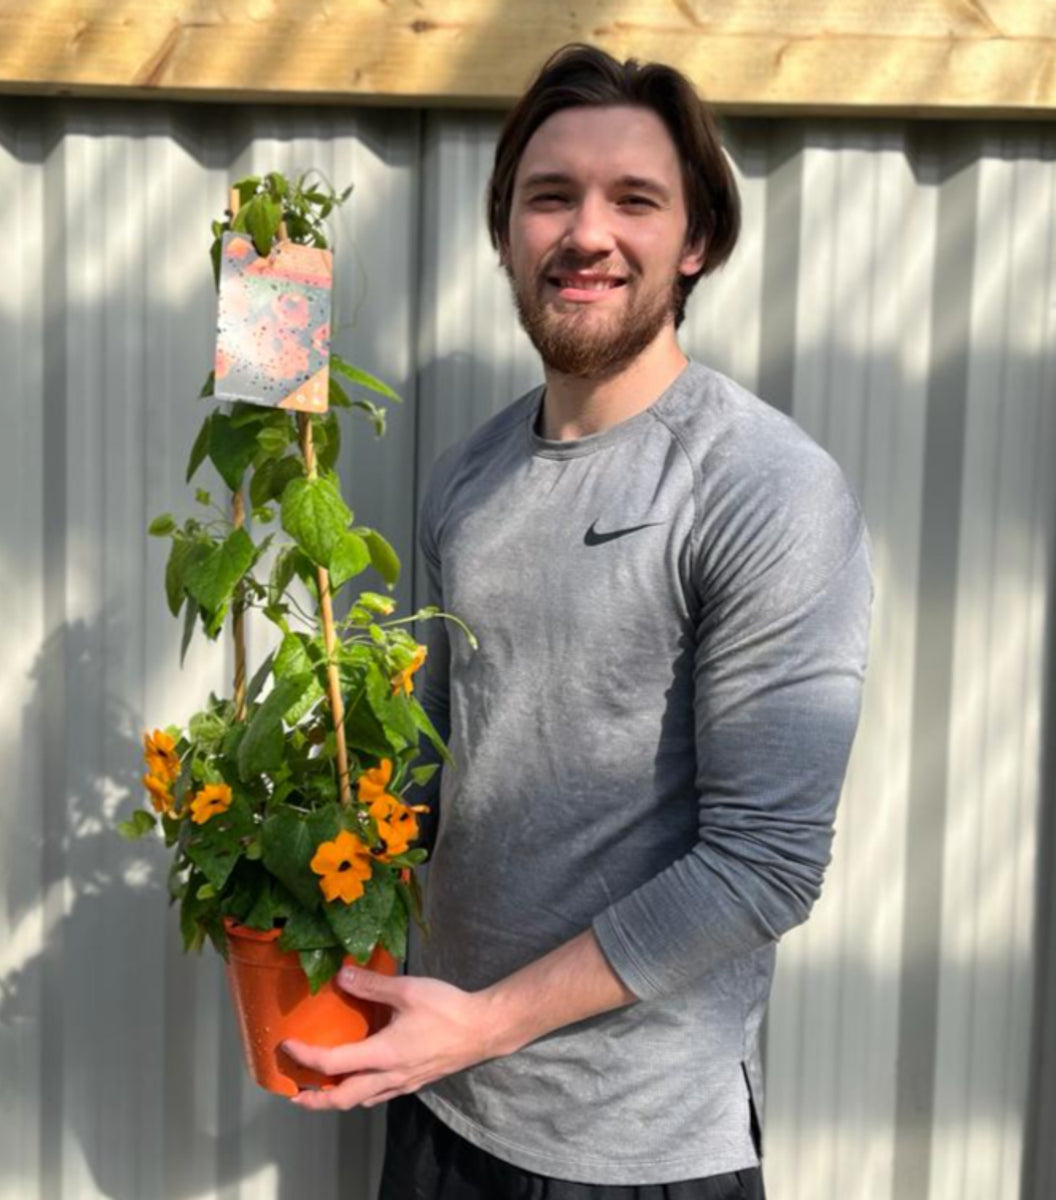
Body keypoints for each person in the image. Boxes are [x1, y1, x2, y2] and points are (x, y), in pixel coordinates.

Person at [284, 43, 874, 1200]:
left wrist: (484, 1023)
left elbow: (767, 866)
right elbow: (429, 769)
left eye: (634, 200)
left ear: (696, 242)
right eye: (550, 196)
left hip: (636, 1149)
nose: (586, 232)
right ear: (505, 230)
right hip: (441, 1102)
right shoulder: (468, 476)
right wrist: (275, 852)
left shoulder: (764, 488)